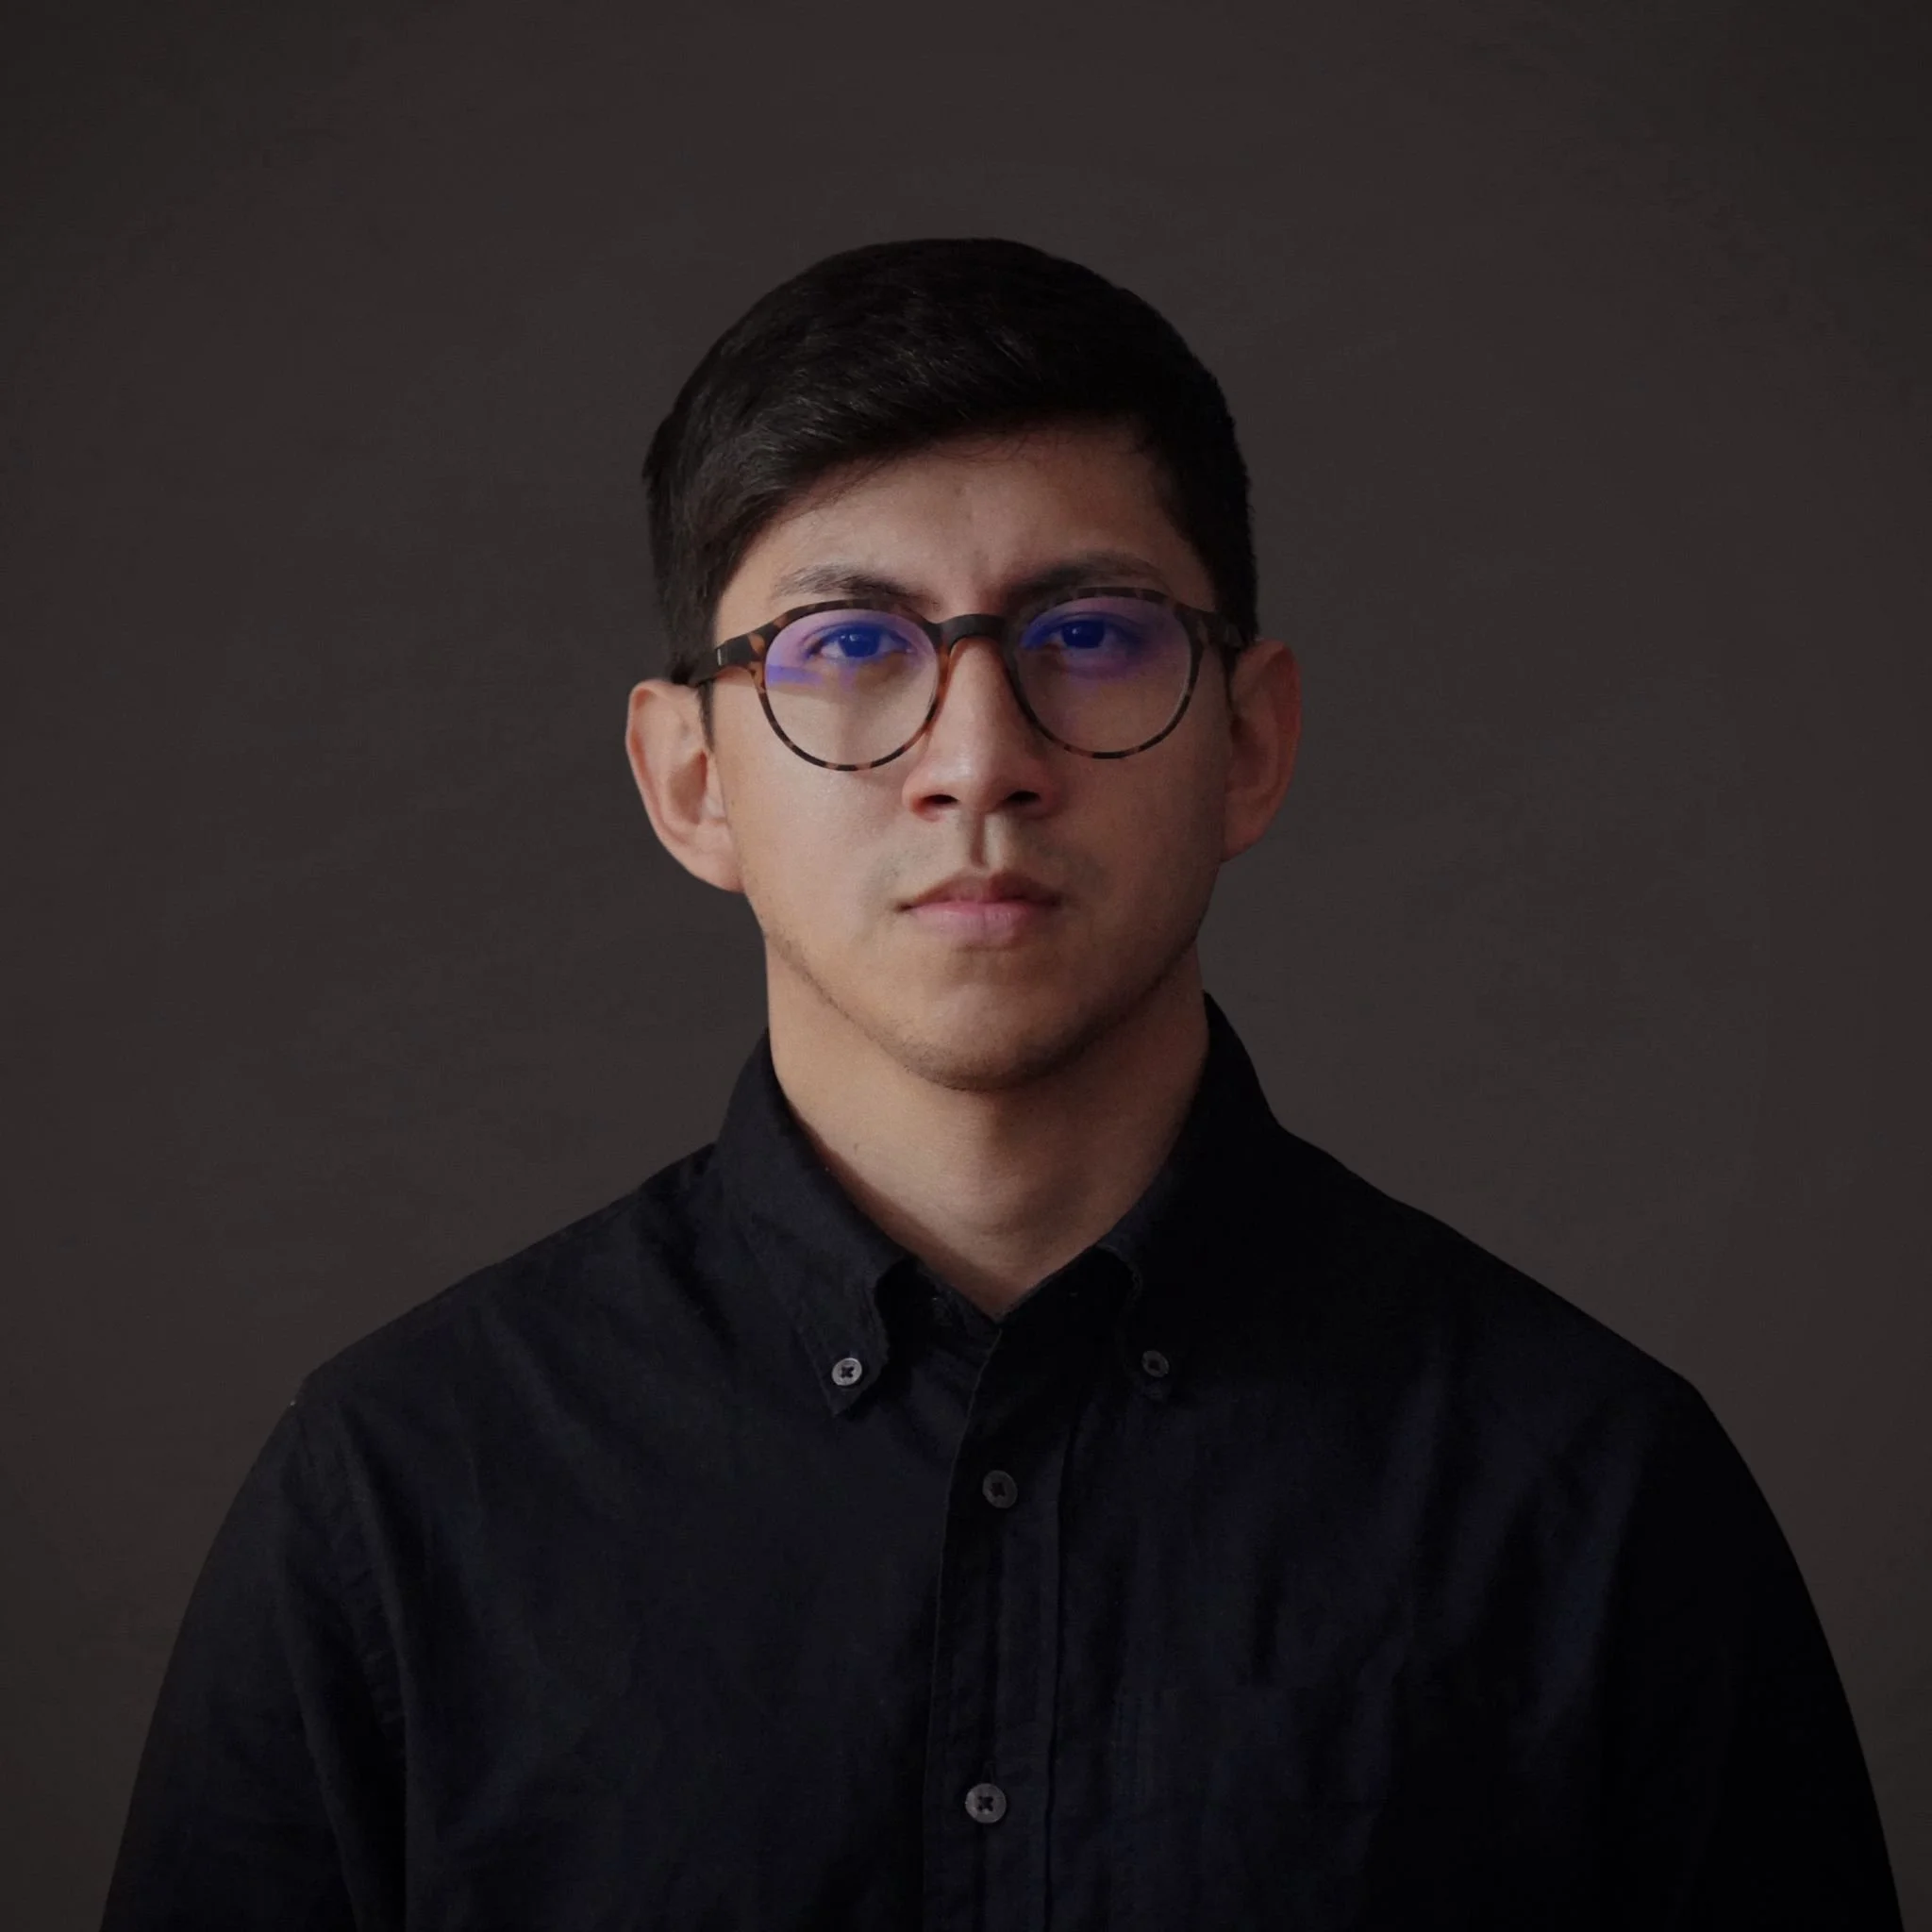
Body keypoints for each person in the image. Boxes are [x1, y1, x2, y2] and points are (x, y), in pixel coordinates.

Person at [102, 237, 1900, 1930]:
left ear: (1251, 740)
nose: (979, 760)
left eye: (1092, 634)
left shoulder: (1593, 1497)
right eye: (849, 648)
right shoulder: (399, 1500)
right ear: (691, 782)